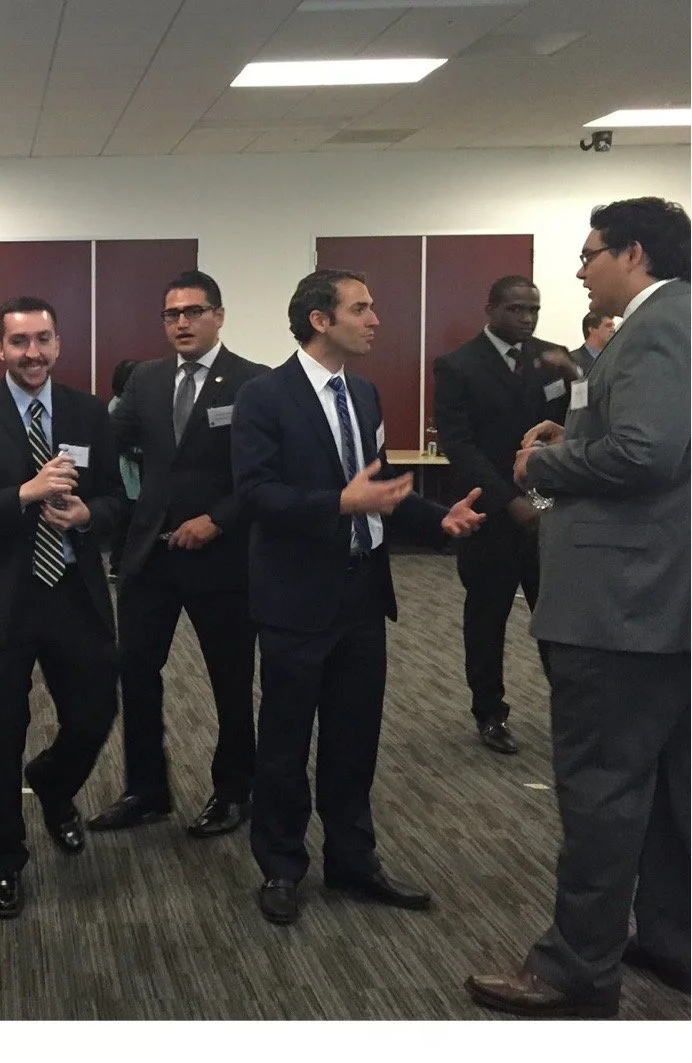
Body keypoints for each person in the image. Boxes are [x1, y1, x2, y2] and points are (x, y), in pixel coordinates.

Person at [467, 197, 689, 1017]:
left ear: (632, 252)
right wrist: (577, 444)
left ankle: (574, 970)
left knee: (602, 790)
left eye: (589, 253)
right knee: (668, 790)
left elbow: (646, 451)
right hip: (662, 599)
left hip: (624, 607)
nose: (580, 270)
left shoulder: (659, 323)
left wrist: (541, 469)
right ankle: (670, 940)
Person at [229, 266, 484, 925]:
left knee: (353, 739)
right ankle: (282, 866)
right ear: (321, 319)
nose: (375, 319)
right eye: (361, 308)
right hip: (294, 599)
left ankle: (352, 862)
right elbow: (255, 495)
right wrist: (339, 502)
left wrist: (437, 521)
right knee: (285, 742)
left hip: (363, 593)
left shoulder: (364, 394)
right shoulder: (265, 397)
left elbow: (383, 484)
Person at [0, 296, 124, 921]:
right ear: (0, 348)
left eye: (43, 339)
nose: (33, 353)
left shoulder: (89, 412)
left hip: (74, 595)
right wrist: (25, 493)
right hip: (1, 600)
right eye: (19, 342)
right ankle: (4, 857)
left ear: (59, 342)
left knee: (97, 713)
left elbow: (117, 500)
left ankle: (51, 781)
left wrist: (87, 514)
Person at [94, 271, 264, 838]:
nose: (182, 323)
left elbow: (261, 475)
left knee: (230, 679)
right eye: (172, 315)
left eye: (193, 312)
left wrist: (217, 519)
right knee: (136, 672)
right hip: (152, 554)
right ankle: (146, 789)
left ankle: (235, 790)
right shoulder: (145, 379)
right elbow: (104, 442)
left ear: (218, 314)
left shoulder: (252, 383)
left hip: (222, 556)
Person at [431, 275, 572, 754]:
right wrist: (507, 501)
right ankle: (489, 713)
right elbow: (460, 445)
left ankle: (569, 712)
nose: (527, 318)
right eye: (515, 309)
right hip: (487, 513)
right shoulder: (457, 365)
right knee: (487, 617)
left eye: (533, 309)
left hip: (546, 509)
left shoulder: (554, 358)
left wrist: (538, 503)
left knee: (554, 615)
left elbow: (576, 426)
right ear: (490, 308)